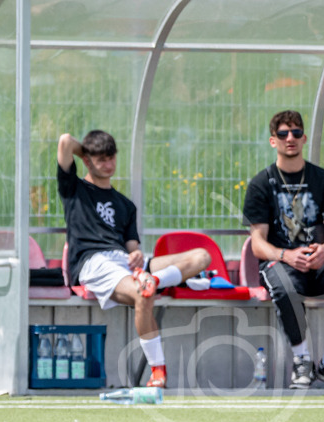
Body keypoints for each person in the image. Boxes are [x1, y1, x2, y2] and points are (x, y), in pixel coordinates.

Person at [57, 130, 211, 389]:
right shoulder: (74, 189)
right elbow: (64, 141)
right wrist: (87, 153)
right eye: (100, 159)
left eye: (111, 158)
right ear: (87, 160)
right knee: (143, 294)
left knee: (201, 256)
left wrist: (137, 254)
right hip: (94, 262)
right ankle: (158, 371)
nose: (108, 164)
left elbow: (132, 248)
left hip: (126, 263)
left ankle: (154, 279)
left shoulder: (125, 205)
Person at [242, 110, 324, 389]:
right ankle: (302, 360)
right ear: (273, 141)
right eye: (283, 133)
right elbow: (258, 243)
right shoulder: (261, 183)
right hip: (282, 261)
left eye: (295, 132)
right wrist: (286, 255)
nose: (290, 138)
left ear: (304, 137)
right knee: (283, 285)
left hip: (321, 259)